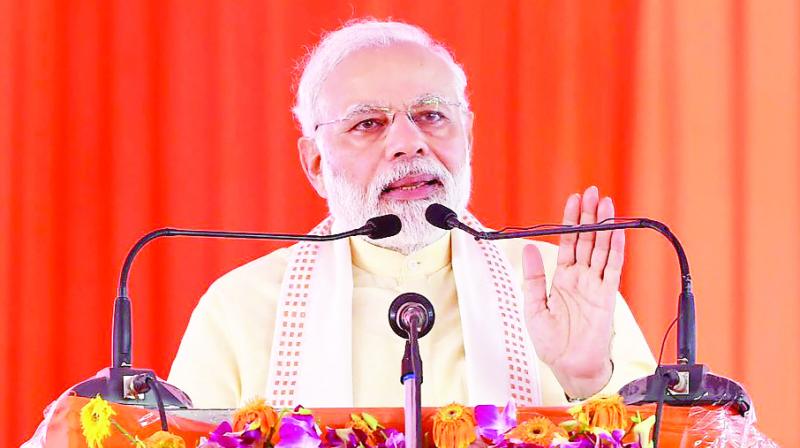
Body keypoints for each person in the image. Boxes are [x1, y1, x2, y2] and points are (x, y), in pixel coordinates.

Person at [167, 19, 655, 409]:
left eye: (431, 115)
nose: (408, 143)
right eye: (368, 123)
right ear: (315, 162)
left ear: (468, 135)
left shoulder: (561, 290)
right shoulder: (240, 310)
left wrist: (589, 381)